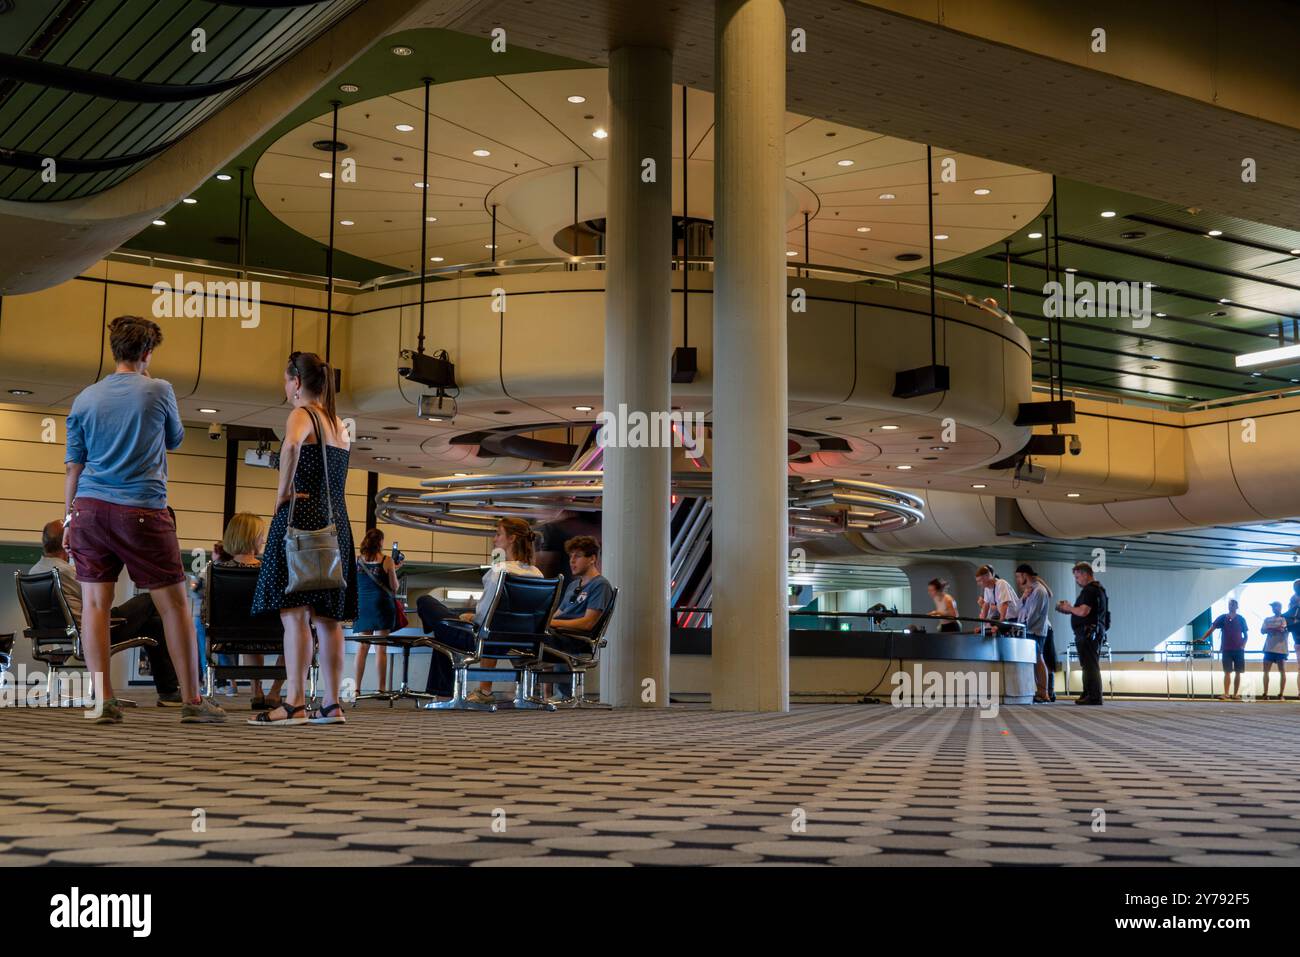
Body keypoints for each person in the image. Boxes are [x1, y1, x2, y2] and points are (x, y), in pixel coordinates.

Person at [62, 315, 226, 725]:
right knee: (173, 607)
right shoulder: (159, 390)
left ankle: (104, 701)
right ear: (148, 353)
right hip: (142, 509)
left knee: (95, 607)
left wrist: (68, 519)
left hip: (87, 509)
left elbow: (73, 468)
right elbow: (174, 439)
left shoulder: (84, 398)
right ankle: (192, 701)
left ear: (114, 350)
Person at [249, 351, 356, 726]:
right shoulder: (338, 423)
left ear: (296, 381)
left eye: (285, 381)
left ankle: (293, 702)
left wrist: (282, 493)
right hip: (336, 525)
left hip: (301, 521)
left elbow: (293, 446)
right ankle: (331, 704)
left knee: (294, 615)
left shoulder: (302, 414)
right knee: (329, 619)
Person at [30, 519, 181, 707]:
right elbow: (98, 599)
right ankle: (169, 691)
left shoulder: (35, 570)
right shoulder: (63, 571)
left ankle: (170, 691)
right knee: (149, 600)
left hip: (63, 632)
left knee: (154, 626)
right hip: (94, 632)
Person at [421, 517, 543, 705]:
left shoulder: (499, 571)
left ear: (511, 538)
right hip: (519, 642)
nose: (494, 539)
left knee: (426, 601)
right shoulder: (537, 573)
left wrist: (469, 617)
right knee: (442, 632)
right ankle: (444, 695)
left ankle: (444, 695)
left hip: (483, 640)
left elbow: (484, 615)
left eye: (498, 534)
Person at [200, 513, 282, 708]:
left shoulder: (216, 570)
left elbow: (206, 612)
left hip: (227, 637)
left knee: (251, 631)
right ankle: (274, 692)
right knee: (295, 631)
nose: (264, 539)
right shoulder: (269, 571)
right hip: (270, 637)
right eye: (261, 535)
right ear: (253, 538)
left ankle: (256, 691)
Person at [540, 536, 613, 701]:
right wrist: (541, 621)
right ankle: (546, 695)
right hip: (562, 635)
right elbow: (558, 613)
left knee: (537, 640)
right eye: (570, 556)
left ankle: (561, 695)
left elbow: (588, 623)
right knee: (529, 636)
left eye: (578, 556)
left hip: (578, 639)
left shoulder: (600, 585)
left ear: (592, 558)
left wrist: (551, 623)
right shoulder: (574, 586)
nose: (572, 561)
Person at [352, 528, 403, 696]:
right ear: (381, 542)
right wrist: (396, 568)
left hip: (363, 606)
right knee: (381, 649)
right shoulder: (387, 560)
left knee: (362, 648)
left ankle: (356, 688)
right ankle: (381, 689)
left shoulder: (357, 560)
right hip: (382, 605)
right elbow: (395, 586)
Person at [1056, 561, 1107, 706]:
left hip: (1088, 632)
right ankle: (1088, 693)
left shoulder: (1090, 590)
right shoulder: (1099, 589)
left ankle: (1093, 696)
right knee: (1089, 664)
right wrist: (1072, 609)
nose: (1076, 580)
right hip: (1093, 631)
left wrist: (1069, 608)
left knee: (1089, 665)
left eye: (1077, 577)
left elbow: (1084, 611)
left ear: (1085, 574)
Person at [1014, 564, 1052, 702]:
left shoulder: (1039, 591)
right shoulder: (1029, 591)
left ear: (1025, 575)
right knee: (1034, 660)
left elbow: (1034, 615)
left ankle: (1044, 692)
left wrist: (1022, 627)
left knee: (1038, 659)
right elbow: (1018, 609)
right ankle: (1040, 691)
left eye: (1018, 576)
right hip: (1028, 629)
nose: (1018, 580)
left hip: (1035, 631)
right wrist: (1023, 597)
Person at [1202, 597, 1249, 701]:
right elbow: (1212, 629)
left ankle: (1236, 694)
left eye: (1233, 604)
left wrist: (1243, 645)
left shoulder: (1241, 619)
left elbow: (1246, 635)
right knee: (1227, 671)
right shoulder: (1222, 618)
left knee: (1238, 672)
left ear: (1237, 606)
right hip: (1226, 649)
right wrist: (1202, 639)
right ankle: (1226, 693)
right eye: (1230, 604)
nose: (1231, 606)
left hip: (1238, 649)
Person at [975, 565, 1020, 636]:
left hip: (1013, 618)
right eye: (977, 581)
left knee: (993, 629)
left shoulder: (1001, 583)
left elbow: (1005, 604)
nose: (979, 584)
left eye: (980, 581)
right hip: (1004, 619)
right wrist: (982, 625)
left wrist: (999, 624)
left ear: (987, 576)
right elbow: (986, 606)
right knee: (984, 630)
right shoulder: (987, 588)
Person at [1261, 601, 1289, 701]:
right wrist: (1269, 629)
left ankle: (1281, 694)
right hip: (1269, 648)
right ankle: (1265, 693)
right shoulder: (1267, 619)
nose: (1274, 608)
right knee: (1265, 671)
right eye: (1272, 606)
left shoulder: (1284, 618)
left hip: (1281, 649)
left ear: (1280, 607)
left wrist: (1273, 629)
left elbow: (1283, 629)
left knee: (1282, 672)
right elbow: (1262, 630)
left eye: (1275, 606)